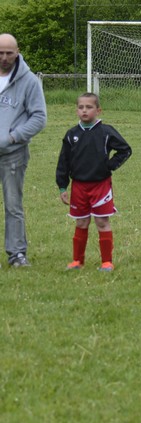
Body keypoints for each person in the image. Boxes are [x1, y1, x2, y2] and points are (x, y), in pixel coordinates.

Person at [56, 93, 132, 272]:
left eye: (89, 107)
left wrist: (109, 166)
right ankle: (77, 261)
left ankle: (107, 262)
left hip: (100, 186)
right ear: (76, 110)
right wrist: (62, 186)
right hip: (79, 187)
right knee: (81, 223)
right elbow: (63, 162)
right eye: (81, 107)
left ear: (98, 110)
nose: (84, 110)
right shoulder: (71, 135)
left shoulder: (106, 132)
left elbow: (125, 150)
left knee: (102, 221)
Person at [0, 33, 47, 268]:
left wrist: (13, 137)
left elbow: (39, 117)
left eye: (9, 53)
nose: (4, 57)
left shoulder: (29, 81)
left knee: (13, 204)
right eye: (0, 53)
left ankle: (17, 254)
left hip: (13, 153)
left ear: (17, 52)